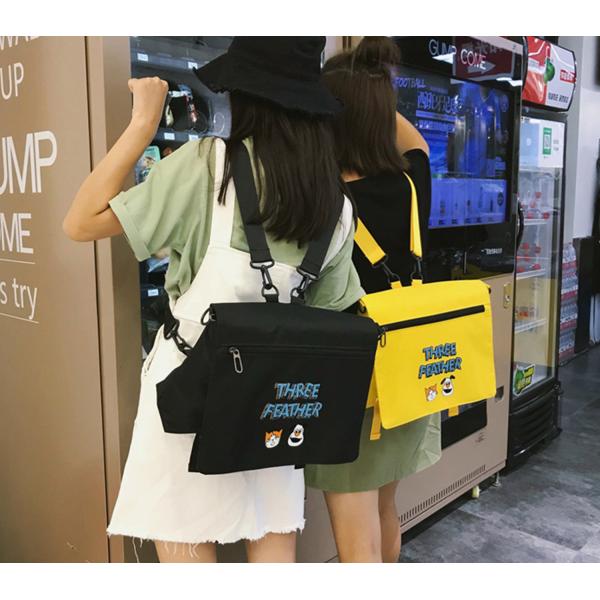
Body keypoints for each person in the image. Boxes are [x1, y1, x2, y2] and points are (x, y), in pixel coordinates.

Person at [63, 37, 363, 563]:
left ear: (243, 95)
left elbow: (80, 221)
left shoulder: (207, 166)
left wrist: (143, 124)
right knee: (273, 553)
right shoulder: (336, 206)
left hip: (189, 392)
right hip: (277, 400)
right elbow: (334, 317)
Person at [304, 37, 442, 563]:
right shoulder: (409, 183)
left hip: (353, 389)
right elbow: (417, 143)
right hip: (408, 374)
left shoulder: (322, 200)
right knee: (385, 510)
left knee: (354, 534)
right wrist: (375, 92)